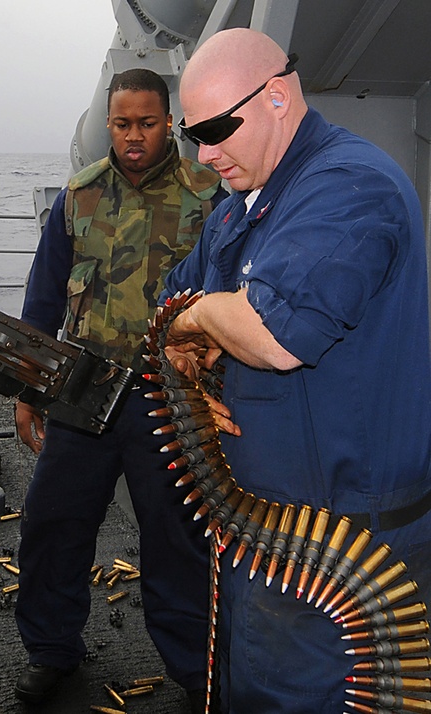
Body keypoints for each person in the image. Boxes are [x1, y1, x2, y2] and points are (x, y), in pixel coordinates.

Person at [164, 28, 431, 713]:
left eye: (219, 128)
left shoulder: (350, 187)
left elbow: (276, 337)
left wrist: (202, 320)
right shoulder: (238, 210)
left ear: (277, 97)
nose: (205, 153)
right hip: (264, 540)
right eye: (193, 133)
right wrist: (181, 332)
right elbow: (172, 300)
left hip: (348, 550)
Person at [13, 68, 225, 710]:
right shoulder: (75, 198)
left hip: (170, 395)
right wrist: (28, 389)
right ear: (108, 124)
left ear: (170, 123)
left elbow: (229, 299)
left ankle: (196, 670)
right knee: (54, 522)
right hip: (83, 390)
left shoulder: (207, 196)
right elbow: (44, 299)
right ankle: (52, 651)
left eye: (148, 123)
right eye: (122, 124)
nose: (135, 137)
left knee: (178, 534)